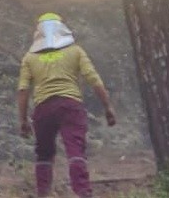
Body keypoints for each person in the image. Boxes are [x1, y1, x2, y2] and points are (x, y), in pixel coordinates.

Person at [17, 12, 117, 198]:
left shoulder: (30, 58)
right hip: (70, 106)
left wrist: (22, 120)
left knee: (44, 153)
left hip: (43, 109)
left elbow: (23, 90)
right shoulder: (75, 51)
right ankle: (83, 193)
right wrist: (108, 107)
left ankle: (43, 194)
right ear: (62, 28)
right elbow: (94, 80)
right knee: (75, 149)